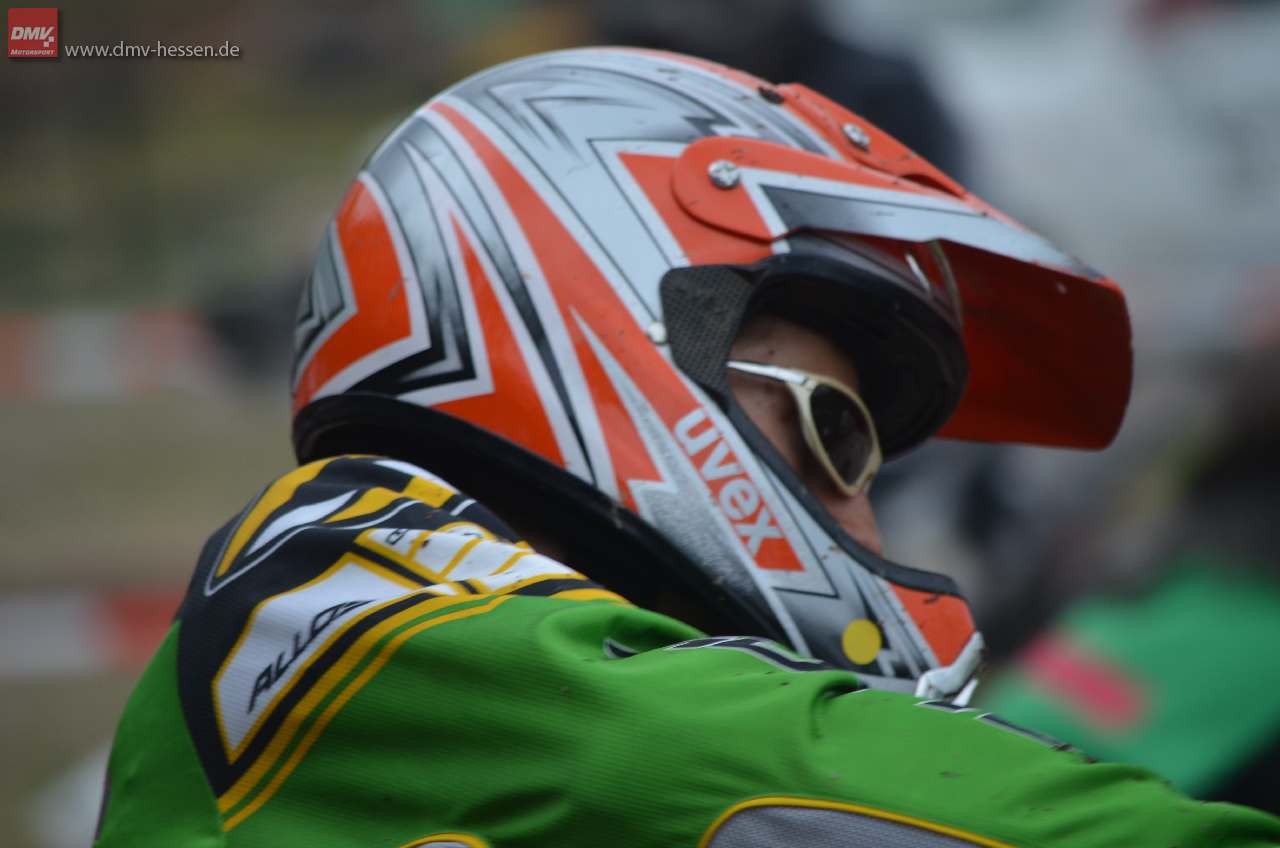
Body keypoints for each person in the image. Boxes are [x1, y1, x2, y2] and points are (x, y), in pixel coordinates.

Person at [94, 48, 1280, 846]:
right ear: (622, 313)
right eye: (835, 432)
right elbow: (751, 757)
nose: (859, 516)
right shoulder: (353, 612)